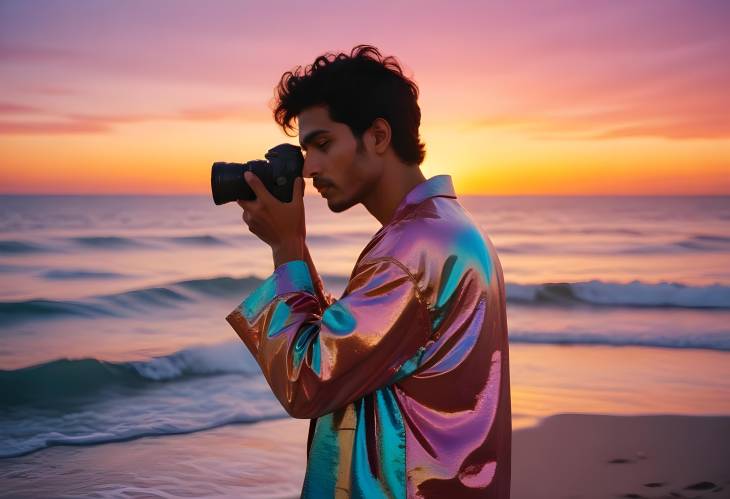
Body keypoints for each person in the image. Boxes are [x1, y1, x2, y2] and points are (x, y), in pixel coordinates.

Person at [226, 44, 511, 498]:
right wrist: (295, 247)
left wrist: (285, 247)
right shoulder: (450, 230)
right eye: (305, 150)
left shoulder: (407, 255)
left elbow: (308, 381)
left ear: (378, 136)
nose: (310, 168)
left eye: (322, 144)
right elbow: (351, 353)